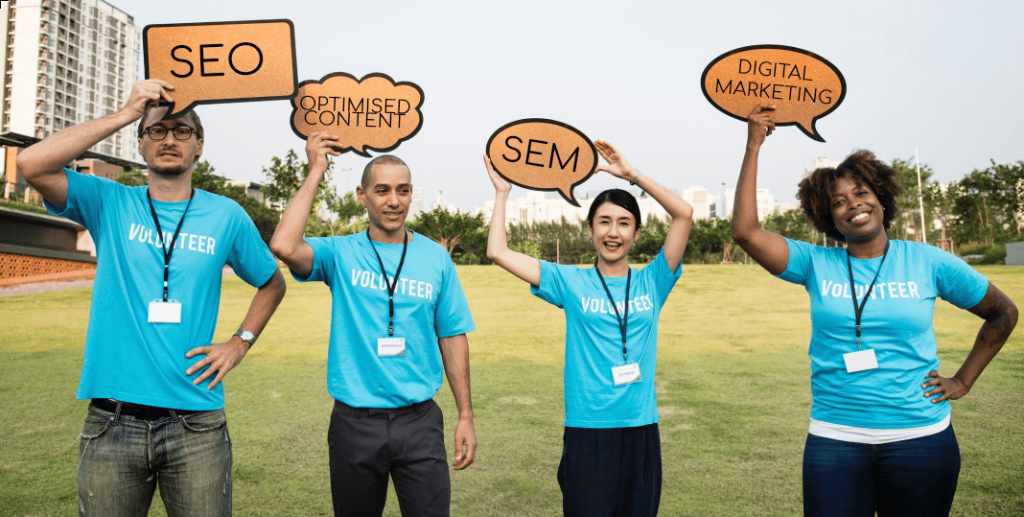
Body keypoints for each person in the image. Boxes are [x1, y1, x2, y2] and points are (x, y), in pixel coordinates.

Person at [15, 79, 287, 516]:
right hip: (111, 421)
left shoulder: (227, 215)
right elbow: (30, 163)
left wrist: (240, 342)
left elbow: (272, 282)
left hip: (195, 423)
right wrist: (126, 113)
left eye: (182, 131)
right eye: (156, 130)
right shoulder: (109, 201)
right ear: (140, 145)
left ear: (199, 146)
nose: (169, 139)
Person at [731, 103, 1018, 517]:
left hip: (920, 438)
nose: (854, 205)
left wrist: (963, 380)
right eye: (839, 201)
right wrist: (754, 145)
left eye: (862, 193)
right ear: (828, 216)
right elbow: (745, 232)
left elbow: (1004, 313)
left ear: (881, 199)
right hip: (835, 440)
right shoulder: (815, 262)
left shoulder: (929, 261)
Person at [269, 132, 477, 517]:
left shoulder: (435, 258)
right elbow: (283, 245)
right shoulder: (340, 252)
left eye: (403, 190)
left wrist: (465, 415)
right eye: (381, 190)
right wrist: (316, 170)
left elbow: (451, 336)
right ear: (361, 196)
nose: (393, 201)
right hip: (354, 423)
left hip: (419, 421)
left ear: (412, 193)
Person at [483, 140, 693, 516]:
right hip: (587, 430)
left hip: (640, 429)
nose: (613, 232)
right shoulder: (570, 282)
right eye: (605, 222)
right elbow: (497, 251)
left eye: (624, 223)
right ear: (590, 229)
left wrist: (632, 176)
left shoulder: (654, 281)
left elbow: (684, 213)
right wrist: (502, 193)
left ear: (637, 233)